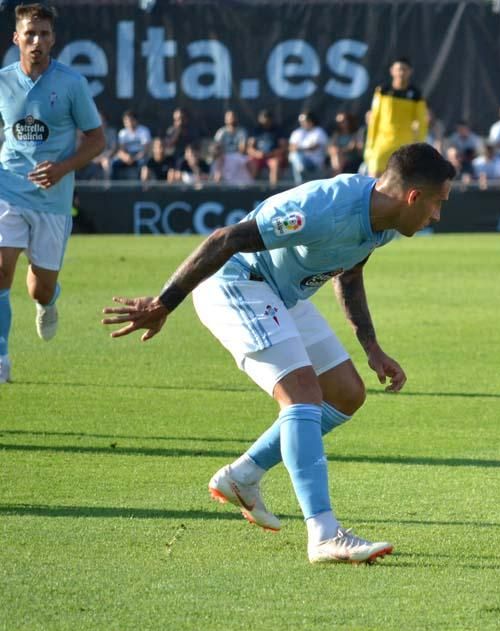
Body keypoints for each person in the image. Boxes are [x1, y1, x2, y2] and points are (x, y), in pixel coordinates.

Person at [101, 143, 456, 564]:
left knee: (345, 392)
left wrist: (372, 347)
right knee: (302, 393)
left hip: (280, 295)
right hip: (237, 283)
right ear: (413, 197)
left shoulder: (383, 221)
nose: (437, 216)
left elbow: (350, 272)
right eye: (438, 204)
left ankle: (242, 477)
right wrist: (164, 303)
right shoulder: (324, 207)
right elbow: (226, 239)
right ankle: (324, 533)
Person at [0, 3, 104, 384]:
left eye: (44, 34)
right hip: (7, 189)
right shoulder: (2, 81)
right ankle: (1, 358)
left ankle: (49, 299)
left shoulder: (72, 84)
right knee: (0, 270)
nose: (37, 41)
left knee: (38, 289)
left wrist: (61, 169)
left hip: (53, 202)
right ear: (17, 38)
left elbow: (97, 140)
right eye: (30, 33)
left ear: (54, 39)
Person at [363, 57, 428, 177]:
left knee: (401, 180)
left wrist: (419, 146)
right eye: (398, 69)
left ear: (410, 72)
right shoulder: (382, 91)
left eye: (404, 69)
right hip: (381, 144)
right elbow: (374, 120)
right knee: (374, 179)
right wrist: (370, 145)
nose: (401, 73)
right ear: (392, 71)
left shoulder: (416, 95)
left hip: (404, 145)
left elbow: (422, 123)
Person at [245, 109, 287, 186]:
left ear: (271, 119)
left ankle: (273, 189)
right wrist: (257, 154)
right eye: (263, 119)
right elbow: (249, 148)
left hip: (272, 156)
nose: (265, 122)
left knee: (275, 164)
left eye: (267, 119)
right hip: (258, 157)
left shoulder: (278, 130)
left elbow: (283, 147)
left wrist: (272, 154)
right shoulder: (256, 130)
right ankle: (251, 188)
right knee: (251, 163)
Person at [288, 110, 328, 184]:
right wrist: (302, 149)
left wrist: (299, 148)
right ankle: (300, 169)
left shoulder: (319, 131)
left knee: (296, 156)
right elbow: (291, 148)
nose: (302, 123)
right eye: (300, 121)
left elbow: (314, 148)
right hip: (299, 161)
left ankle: (299, 181)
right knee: (295, 156)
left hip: (314, 162)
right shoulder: (297, 132)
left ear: (311, 121)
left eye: (304, 121)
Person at [109, 109, 151, 180]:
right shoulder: (122, 133)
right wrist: (126, 157)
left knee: (143, 164)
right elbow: (121, 150)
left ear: (136, 120)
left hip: (140, 156)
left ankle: (140, 188)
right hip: (128, 156)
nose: (129, 123)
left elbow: (145, 150)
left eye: (131, 120)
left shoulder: (144, 131)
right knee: (113, 163)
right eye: (126, 121)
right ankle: (114, 187)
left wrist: (134, 159)